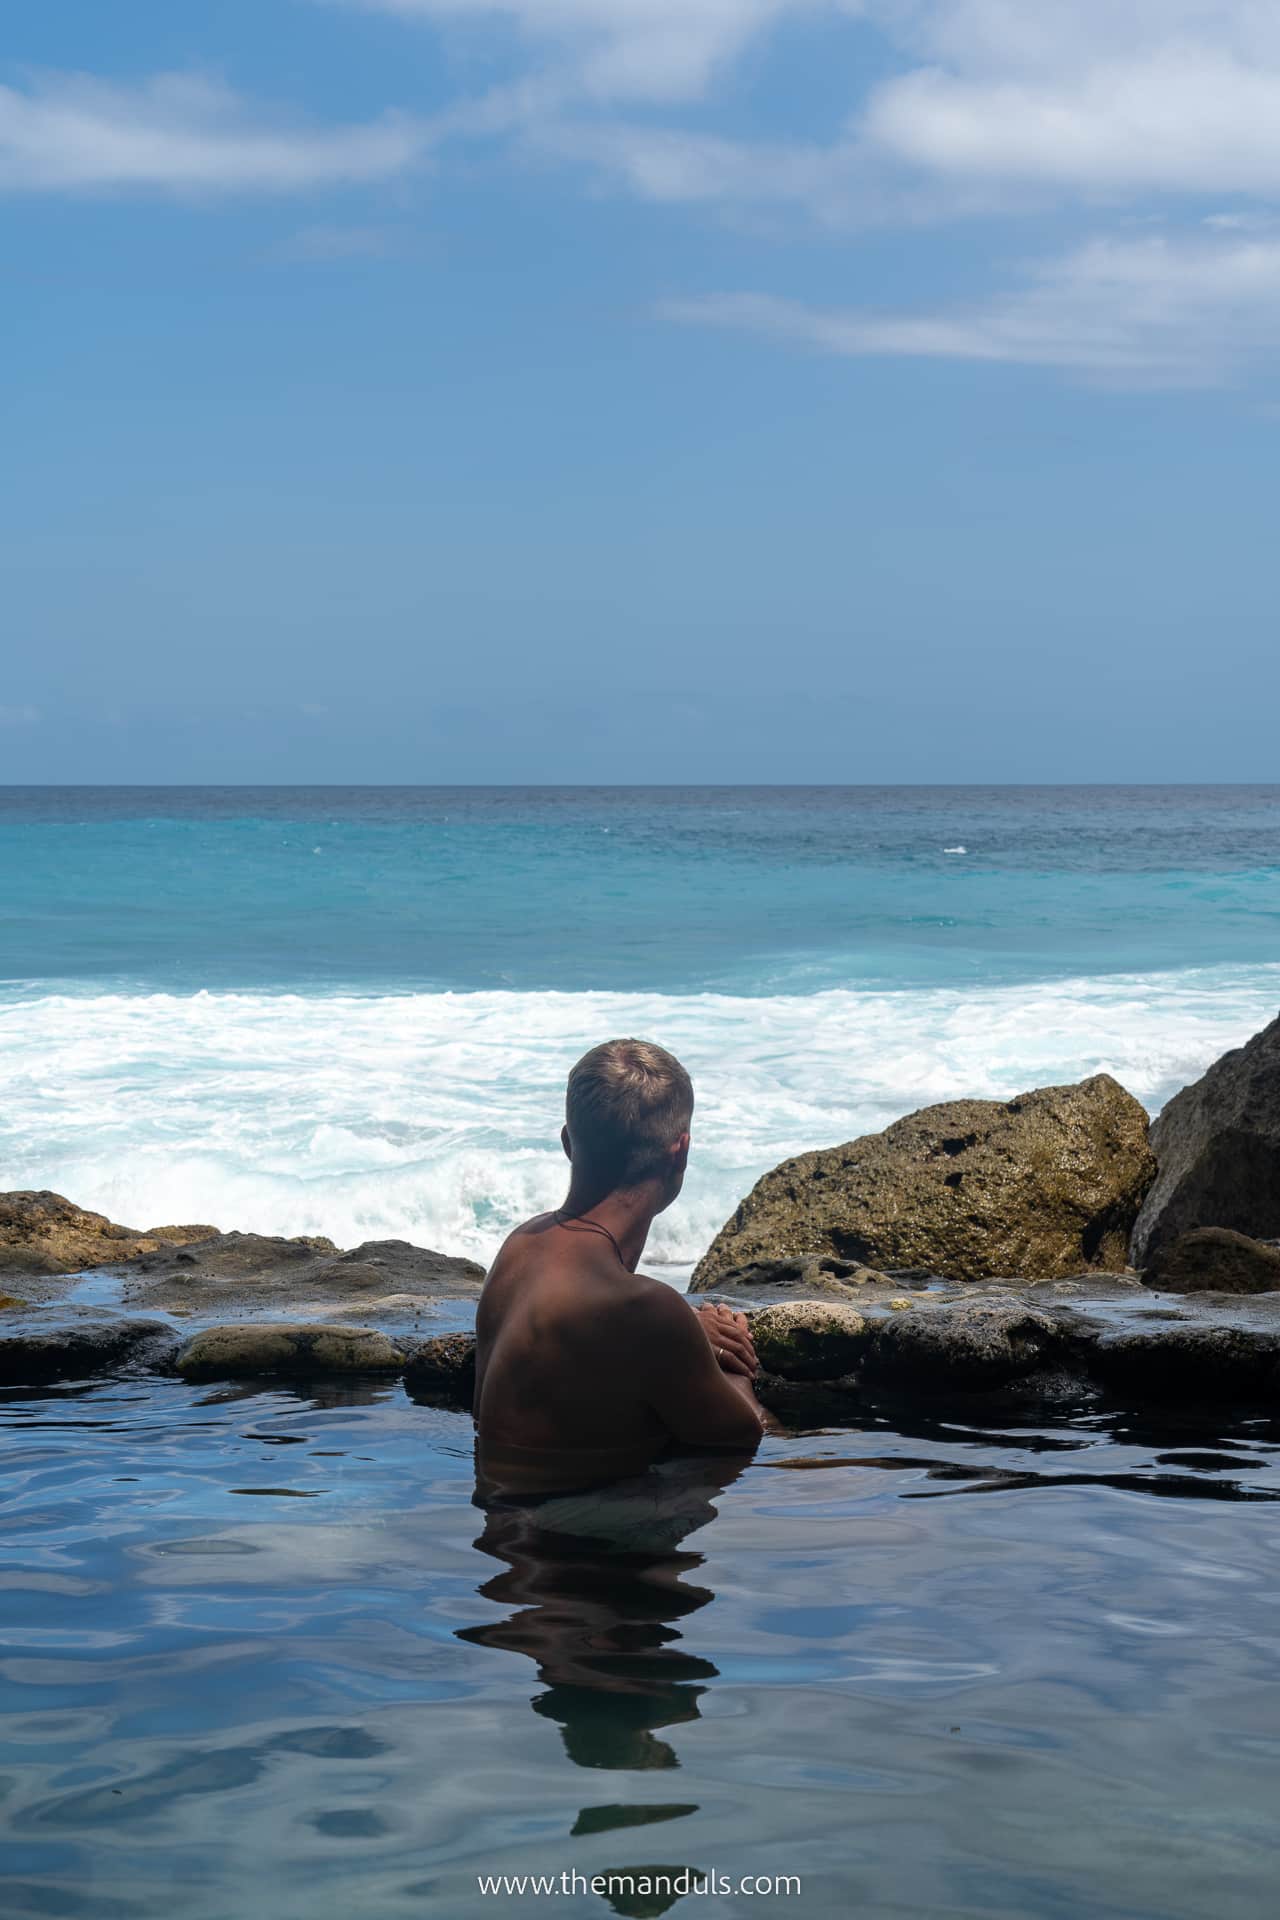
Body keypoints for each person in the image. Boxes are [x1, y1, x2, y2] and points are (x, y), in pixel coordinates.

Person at [473, 1037, 767, 1498]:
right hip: (593, 1548)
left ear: (569, 1143)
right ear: (680, 1152)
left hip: (509, 1529)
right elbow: (745, 1436)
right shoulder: (644, 1309)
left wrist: (684, 1332)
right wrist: (733, 1353)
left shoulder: (519, 1249)